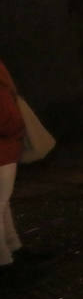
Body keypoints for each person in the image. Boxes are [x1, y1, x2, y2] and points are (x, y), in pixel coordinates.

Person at [0, 59, 25, 267]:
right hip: (3, 151)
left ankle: (13, 246)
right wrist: (17, 131)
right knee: (1, 204)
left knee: (3, 203)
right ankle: (4, 258)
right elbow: (8, 119)